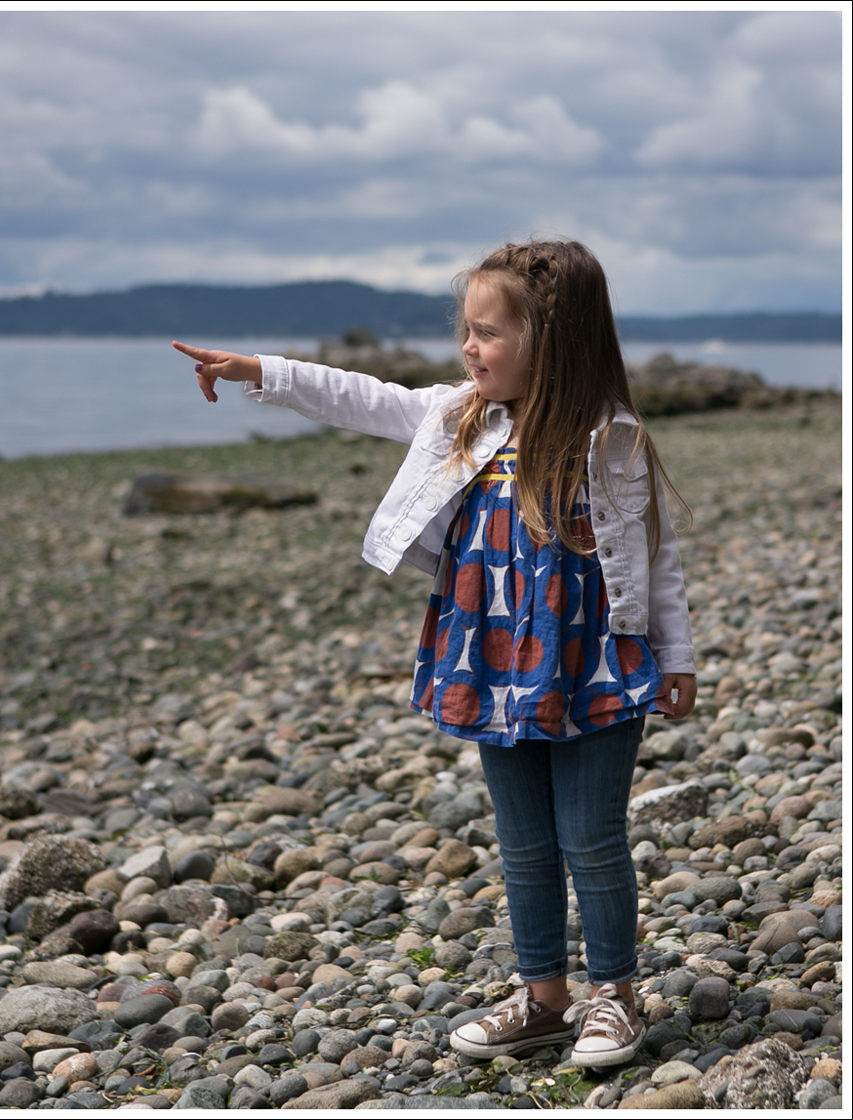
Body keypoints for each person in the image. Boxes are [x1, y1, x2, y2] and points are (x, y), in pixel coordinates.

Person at [172, 238, 696, 1069]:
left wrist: (677, 656)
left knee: (591, 837)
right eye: (467, 330)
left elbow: (651, 555)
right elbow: (364, 397)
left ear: (551, 342)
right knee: (523, 841)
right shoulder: (460, 415)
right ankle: (543, 998)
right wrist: (259, 371)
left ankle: (616, 998)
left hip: (592, 661)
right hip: (491, 659)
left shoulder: (611, 438)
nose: (468, 348)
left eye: (488, 333)